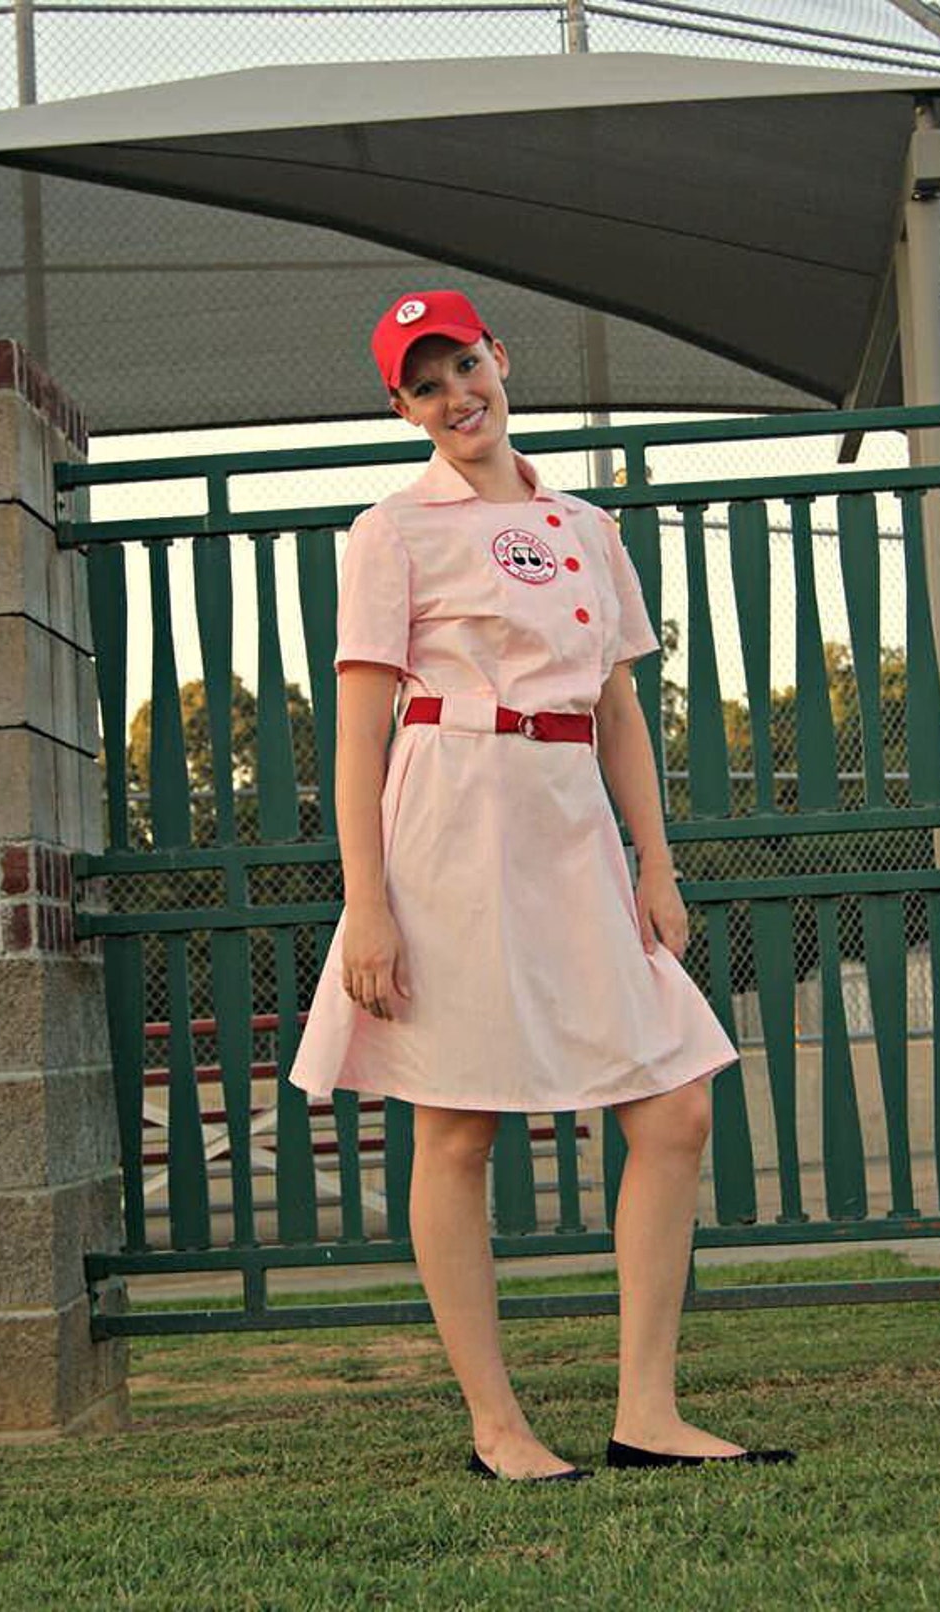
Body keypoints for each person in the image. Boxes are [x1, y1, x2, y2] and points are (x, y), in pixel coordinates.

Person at [288, 289, 796, 1481]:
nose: (456, 394)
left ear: (499, 359)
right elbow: (360, 732)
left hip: (572, 825)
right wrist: (367, 899)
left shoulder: (585, 524)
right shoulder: (392, 531)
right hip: (449, 821)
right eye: (426, 383)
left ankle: (648, 1412)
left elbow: (619, 705)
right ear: (400, 407)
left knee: (674, 1104)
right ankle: (498, 1426)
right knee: (456, 1130)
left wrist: (654, 862)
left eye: (465, 363)